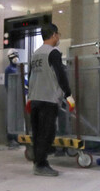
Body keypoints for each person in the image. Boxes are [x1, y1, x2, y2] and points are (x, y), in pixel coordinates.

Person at [28, 23, 73, 177]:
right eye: (58, 34)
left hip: (35, 98)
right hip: (48, 98)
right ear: (54, 35)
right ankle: (40, 164)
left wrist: (29, 97)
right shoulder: (53, 53)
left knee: (37, 132)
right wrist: (68, 93)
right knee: (47, 132)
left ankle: (38, 162)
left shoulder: (35, 53)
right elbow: (61, 75)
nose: (58, 37)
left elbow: (31, 76)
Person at [4, 49, 22, 149]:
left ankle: (17, 137)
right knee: (11, 117)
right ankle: (10, 139)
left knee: (18, 118)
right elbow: (7, 84)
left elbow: (23, 81)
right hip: (12, 96)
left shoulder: (19, 69)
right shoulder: (8, 69)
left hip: (19, 96)